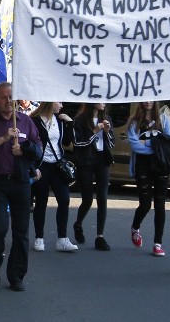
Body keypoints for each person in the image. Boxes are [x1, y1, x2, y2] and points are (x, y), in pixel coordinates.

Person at [0, 82, 41, 291]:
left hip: (21, 181)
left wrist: (25, 148)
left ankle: (16, 275)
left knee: (21, 232)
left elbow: (38, 149)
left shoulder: (26, 121)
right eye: (4, 97)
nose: (8, 101)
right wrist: (3, 138)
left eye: (12, 96)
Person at [127, 101, 170, 257]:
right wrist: (155, 145)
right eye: (145, 98)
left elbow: (169, 143)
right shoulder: (134, 122)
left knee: (160, 205)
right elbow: (135, 146)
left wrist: (147, 143)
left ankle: (157, 243)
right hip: (143, 166)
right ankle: (135, 227)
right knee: (145, 204)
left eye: (151, 98)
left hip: (161, 165)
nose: (148, 101)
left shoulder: (164, 120)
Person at [31, 101, 77, 252]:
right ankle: (39, 238)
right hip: (42, 164)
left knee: (64, 199)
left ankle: (62, 239)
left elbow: (66, 141)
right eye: (59, 102)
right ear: (51, 103)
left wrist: (70, 123)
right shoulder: (35, 121)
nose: (62, 105)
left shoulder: (59, 120)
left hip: (57, 164)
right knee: (41, 201)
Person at [71, 103, 114, 251]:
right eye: (100, 99)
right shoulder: (80, 120)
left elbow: (112, 143)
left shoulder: (106, 118)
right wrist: (95, 131)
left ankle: (100, 236)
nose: (103, 102)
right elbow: (78, 143)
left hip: (102, 160)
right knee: (88, 199)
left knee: (102, 198)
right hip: (86, 161)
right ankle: (78, 224)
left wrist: (107, 132)